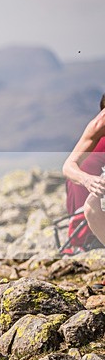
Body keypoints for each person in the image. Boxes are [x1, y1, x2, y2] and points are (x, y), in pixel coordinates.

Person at [62, 93, 105, 248]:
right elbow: (68, 166)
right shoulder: (99, 125)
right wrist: (87, 180)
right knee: (92, 206)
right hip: (90, 214)